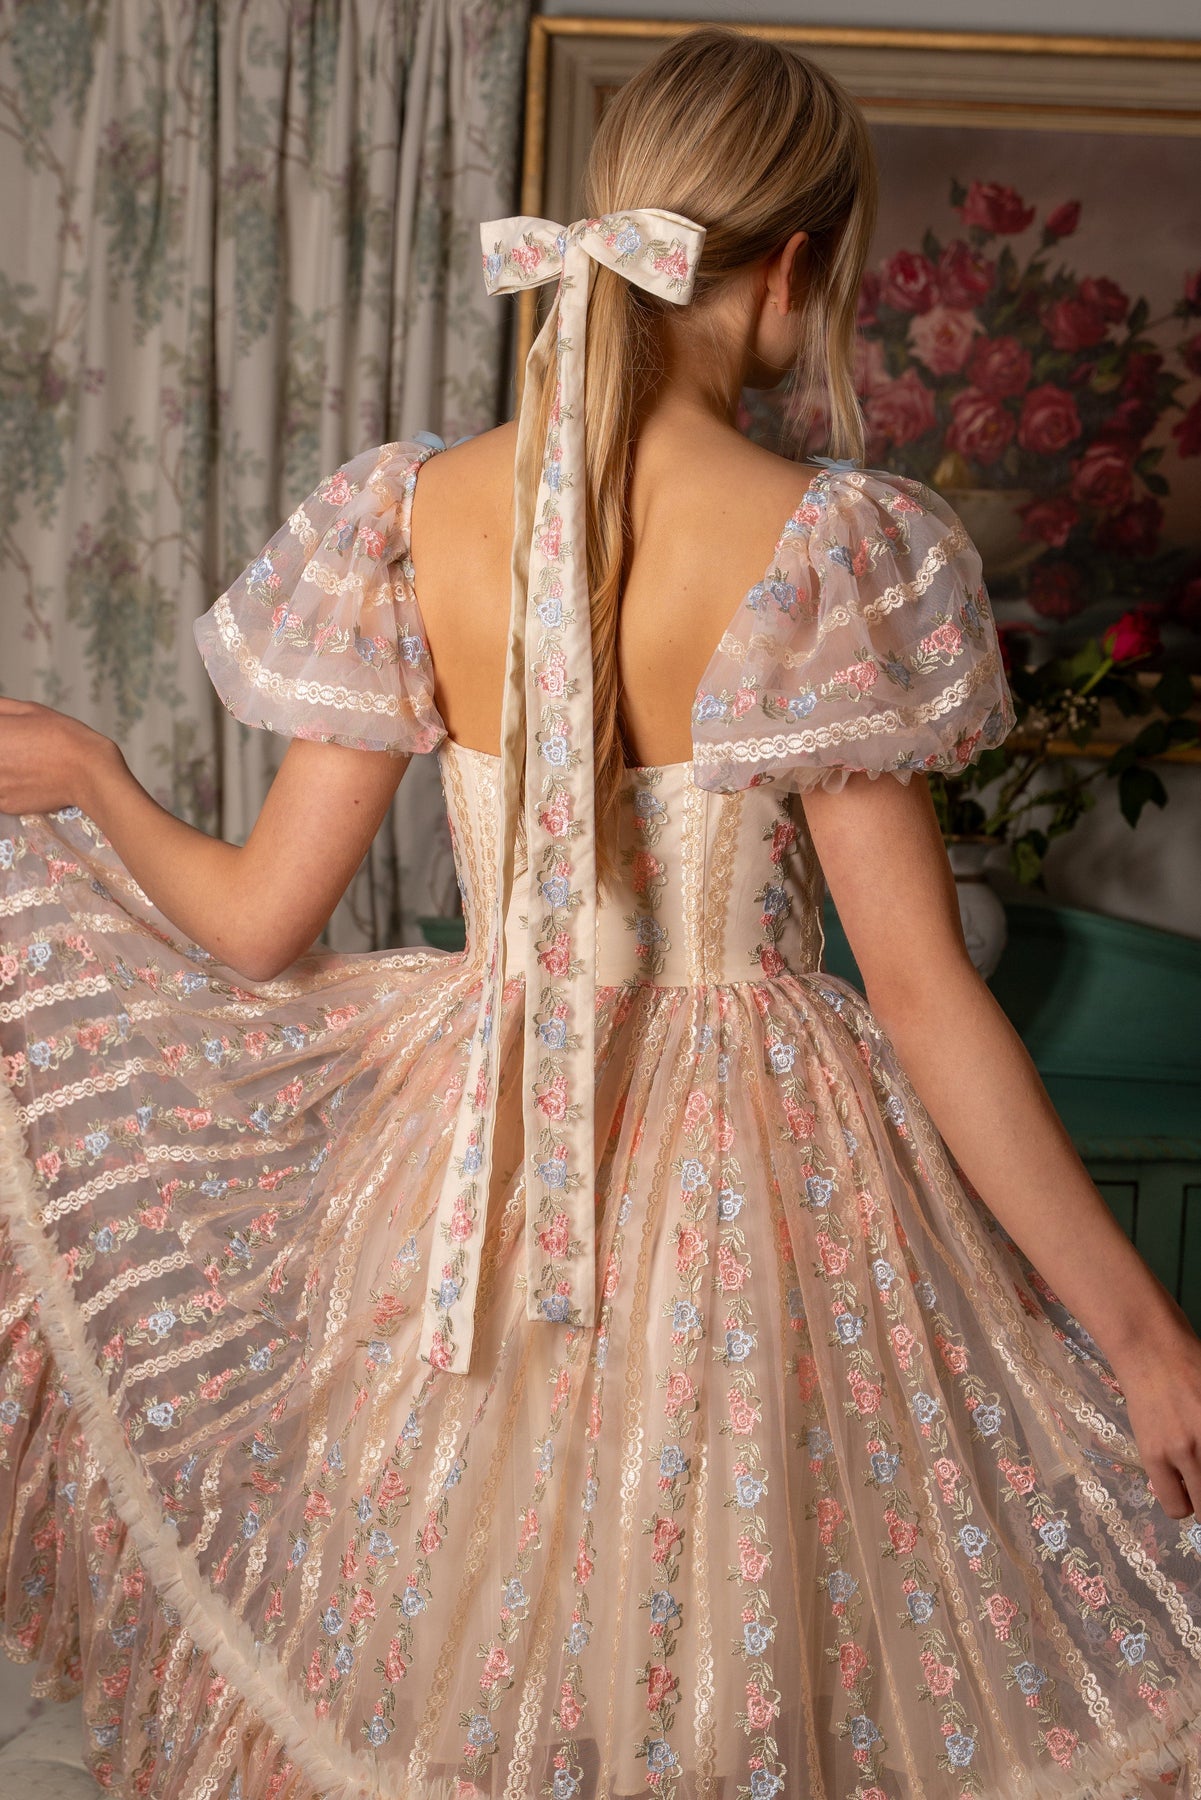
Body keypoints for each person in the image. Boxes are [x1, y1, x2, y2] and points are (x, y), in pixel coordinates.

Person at [0, 22, 1199, 1800]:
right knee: (772, 1638)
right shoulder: (829, 542)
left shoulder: (412, 513)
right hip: (766, 1177)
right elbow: (922, 993)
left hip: (466, 1166)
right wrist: (1145, 1339)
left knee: (458, 1650)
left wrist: (98, 776)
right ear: (792, 269)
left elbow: (253, 925)